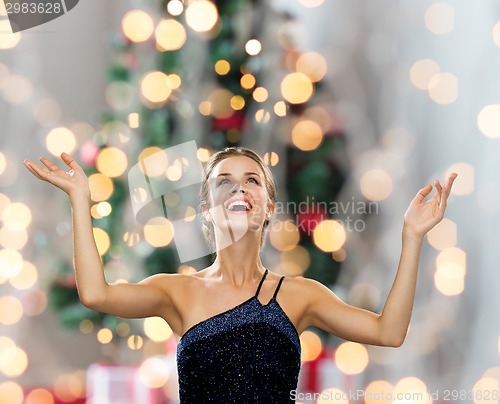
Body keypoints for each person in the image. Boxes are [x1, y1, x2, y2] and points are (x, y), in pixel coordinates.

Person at [23, 147, 457, 403]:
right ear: (209, 210)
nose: (238, 189)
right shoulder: (178, 290)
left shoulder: (301, 295)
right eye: (223, 182)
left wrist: (412, 236)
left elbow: (389, 331)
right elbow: (96, 294)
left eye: (251, 180)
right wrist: (81, 199)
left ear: (268, 206)